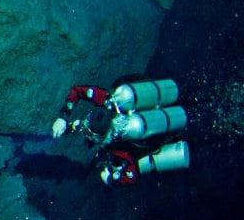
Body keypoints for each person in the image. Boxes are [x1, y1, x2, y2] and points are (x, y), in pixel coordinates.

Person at [50, 79, 190, 185]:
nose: (83, 127)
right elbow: (78, 90)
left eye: (89, 133)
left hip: (165, 132)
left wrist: (110, 179)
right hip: (154, 106)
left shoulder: (120, 148)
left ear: (101, 136)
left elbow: (131, 175)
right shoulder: (110, 101)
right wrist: (63, 117)